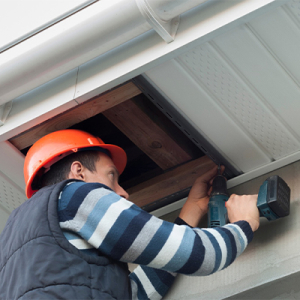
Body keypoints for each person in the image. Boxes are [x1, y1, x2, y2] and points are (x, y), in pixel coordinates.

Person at [0, 129, 259, 300]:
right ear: (79, 172)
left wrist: (191, 211)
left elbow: (133, 294)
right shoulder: (74, 196)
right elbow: (201, 257)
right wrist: (243, 223)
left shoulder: (12, 247)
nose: (123, 193)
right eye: (112, 176)